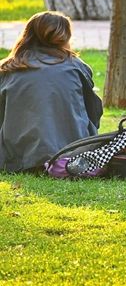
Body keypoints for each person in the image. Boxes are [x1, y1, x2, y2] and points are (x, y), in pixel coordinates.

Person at [0, 12, 102, 172]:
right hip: (72, 155)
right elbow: (94, 111)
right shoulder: (76, 66)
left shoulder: (7, 68)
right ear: (65, 37)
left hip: (19, 160)